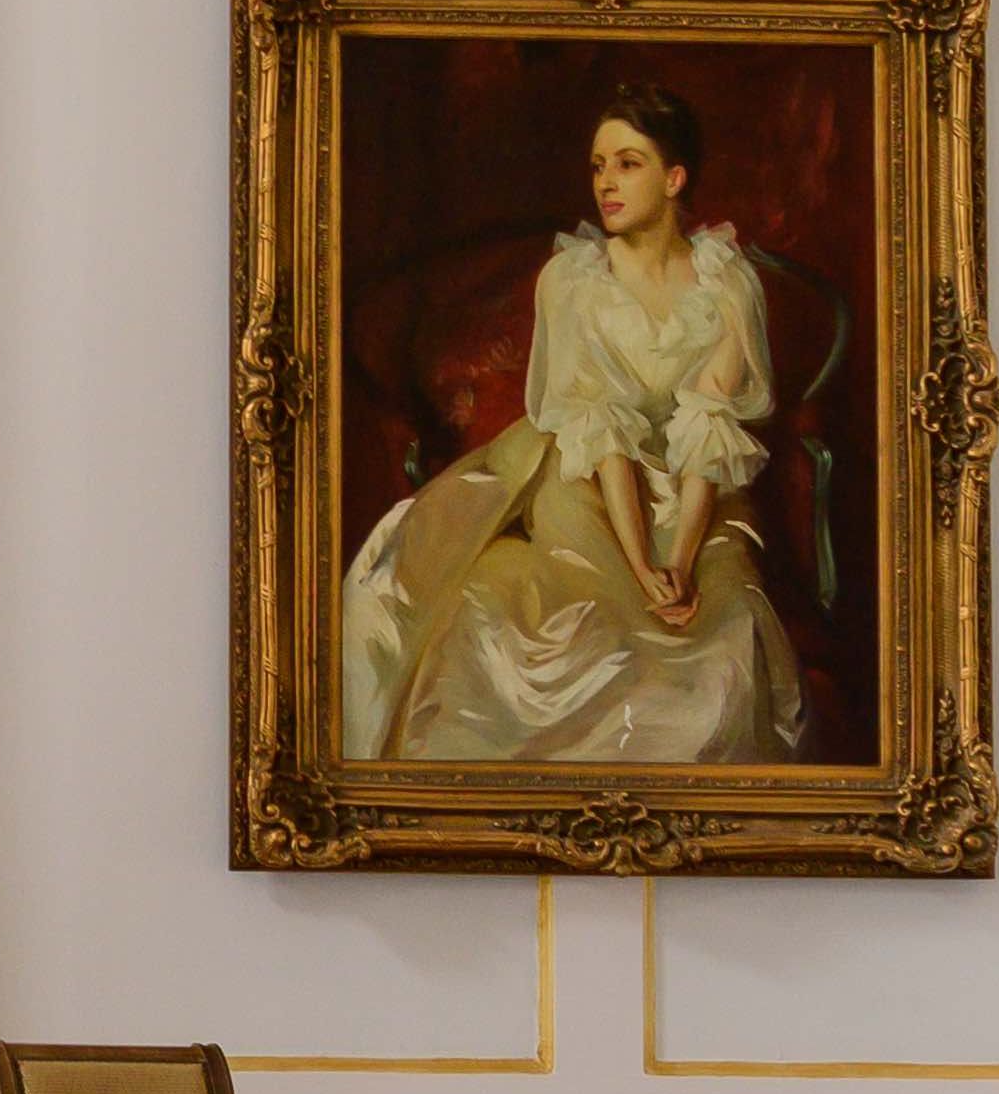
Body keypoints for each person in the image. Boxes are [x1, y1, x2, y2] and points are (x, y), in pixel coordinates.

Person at [337, 80, 808, 766]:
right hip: (586, 476)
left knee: (721, 635)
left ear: (674, 178)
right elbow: (600, 429)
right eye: (597, 166)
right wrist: (639, 562)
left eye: (627, 163)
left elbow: (708, 430)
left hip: (694, 488)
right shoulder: (573, 279)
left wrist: (677, 562)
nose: (605, 183)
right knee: (553, 622)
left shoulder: (726, 283)